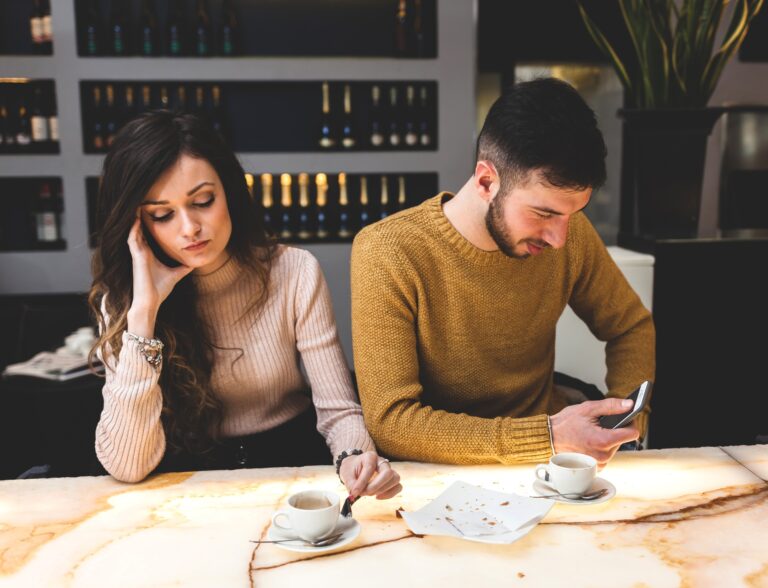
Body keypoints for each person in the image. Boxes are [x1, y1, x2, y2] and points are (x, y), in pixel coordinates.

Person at [88, 110, 401, 502]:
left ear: (230, 193)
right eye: (162, 215)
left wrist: (355, 457)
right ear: (139, 225)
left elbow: (338, 409)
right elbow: (128, 466)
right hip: (190, 486)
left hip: (291, 466)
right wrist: (143, 315)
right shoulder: (123, 300)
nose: (189, 228)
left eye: (203, 201)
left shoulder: (294, 271)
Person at [350, 78, 655, 468]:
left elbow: (630, 326)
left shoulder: (570, 235)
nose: (559, 238)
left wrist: (625, 425)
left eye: (573, 214)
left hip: (552, 465)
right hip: (436, 471)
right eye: (543, 213)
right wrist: (547, 436)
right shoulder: (388, 251)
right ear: (486, 181)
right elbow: (390, 421)